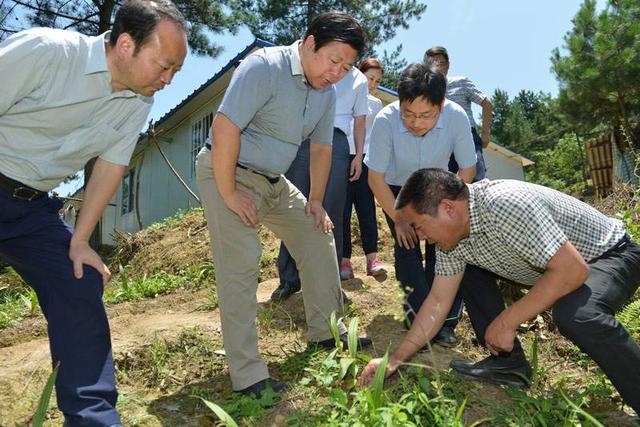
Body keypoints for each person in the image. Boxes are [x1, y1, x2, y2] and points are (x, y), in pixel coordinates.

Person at [0, 1, 188, 424]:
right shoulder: (47, 52)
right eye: (164, 66)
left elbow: (110, 167)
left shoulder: (137, 101)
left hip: (32, 209)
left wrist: (81, 240)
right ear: (125, 44)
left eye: (176, 71)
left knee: (79, 281)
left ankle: (93, 417)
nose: (168, 79)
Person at [359, 168, 640, 416]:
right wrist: (393, 360)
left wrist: (507, 321)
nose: (419, 236)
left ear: (447, 208)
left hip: (610, 256)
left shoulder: (505, 204)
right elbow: (437, 302)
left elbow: (572, 271)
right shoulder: (451, 238)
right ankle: (510, 366)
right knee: (464, 271)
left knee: (576, 314)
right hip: (555, 268)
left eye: (419, 226)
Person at [196, 12, 371, 398]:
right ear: (309, 43)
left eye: (346, 67)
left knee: (318, 235)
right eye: (333, 60)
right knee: (241, 265)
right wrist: (228, 192)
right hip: (228, 171)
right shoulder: (264, 67)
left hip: (275, 181)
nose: (337, 72)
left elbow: (323, 149)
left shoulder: (326, 93)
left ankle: (326, 333)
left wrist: (317, 202)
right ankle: (248, 376)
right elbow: (225, 127)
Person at [366, 62, 484, 346]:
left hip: (437, 187)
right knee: (406, 245)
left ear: (441, 105)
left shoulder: (456, 118)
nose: (416, 122)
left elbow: (467, 170)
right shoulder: (385, 120)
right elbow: (375, 178)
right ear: (400, 103)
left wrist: (444, 209)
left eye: (425, 115)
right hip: (397, 189)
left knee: (442, 248)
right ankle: (417, 318)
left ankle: (445, 323)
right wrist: (400, 218)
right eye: (409, 114)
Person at [271, 48, 369, 300]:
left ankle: (330, 283)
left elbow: (360, 120)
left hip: (337, 143)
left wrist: (358, 155)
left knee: (332, 212)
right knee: (295, 206)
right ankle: (289, 279)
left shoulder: (359, 80)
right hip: (305, 138)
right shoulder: (314, 67)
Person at [339, 58, 387, 280]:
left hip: (365, 159)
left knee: (366, 209)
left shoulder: (376, 104)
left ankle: (372, 259)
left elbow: (376, 137)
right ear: (359, 74)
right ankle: (344, 260)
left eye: (377, 81)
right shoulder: (342, 93)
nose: (373, 83)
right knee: (343, 211)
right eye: (370, 78)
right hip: (341, 157)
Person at [424, 46, 492, 180]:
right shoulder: (425, 92)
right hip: (439, 141)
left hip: (467, 134)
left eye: (441, 63)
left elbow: (487, 103)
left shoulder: (461, 82)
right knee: (447, 183)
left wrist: (485, 133)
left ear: (448, 65)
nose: (437, 66)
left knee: (476, 178)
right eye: (432, 63)